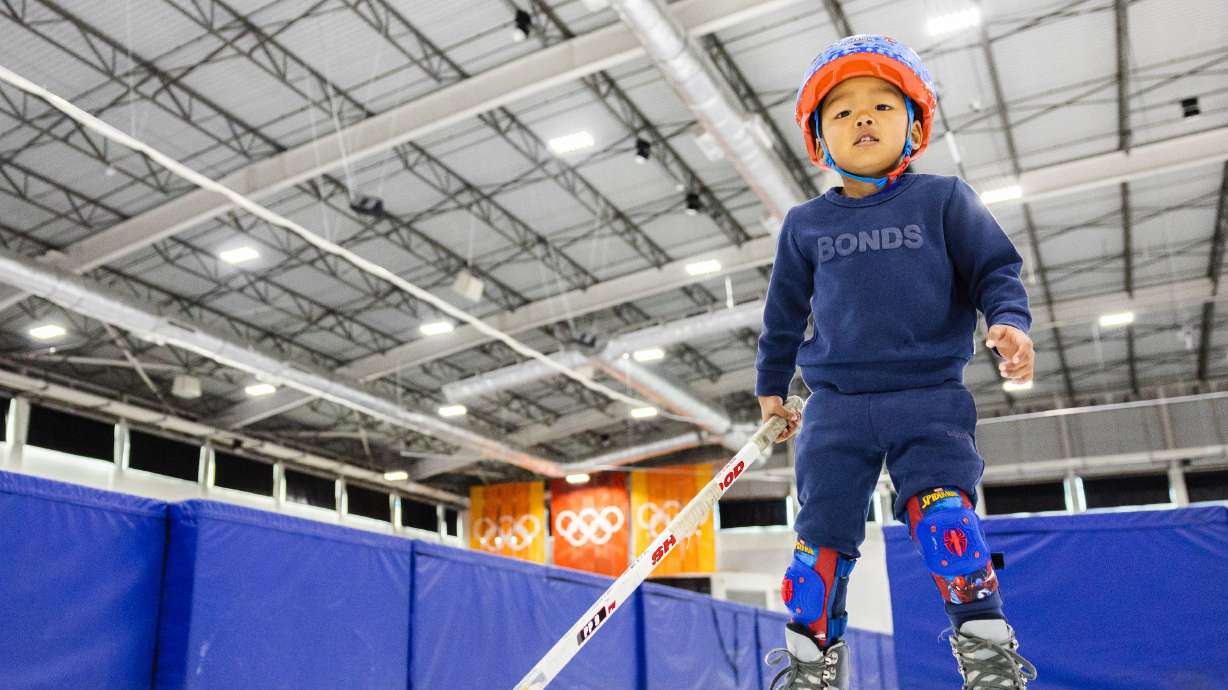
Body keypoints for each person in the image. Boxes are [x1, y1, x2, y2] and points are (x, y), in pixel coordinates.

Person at [756, 35, 1038, 690]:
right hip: (835, 407)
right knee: (816, 546)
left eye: (882, 104)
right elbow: (783, 313)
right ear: (818, 138)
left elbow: (995, 270)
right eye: (842, 110)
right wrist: (772, 388)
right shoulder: (804, 224)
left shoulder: (944, 199)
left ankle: (987, 651)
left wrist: (1009, 322)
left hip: (928, 395)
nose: (862, 117)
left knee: (947, 523)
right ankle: (809, 664)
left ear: (913, 124)